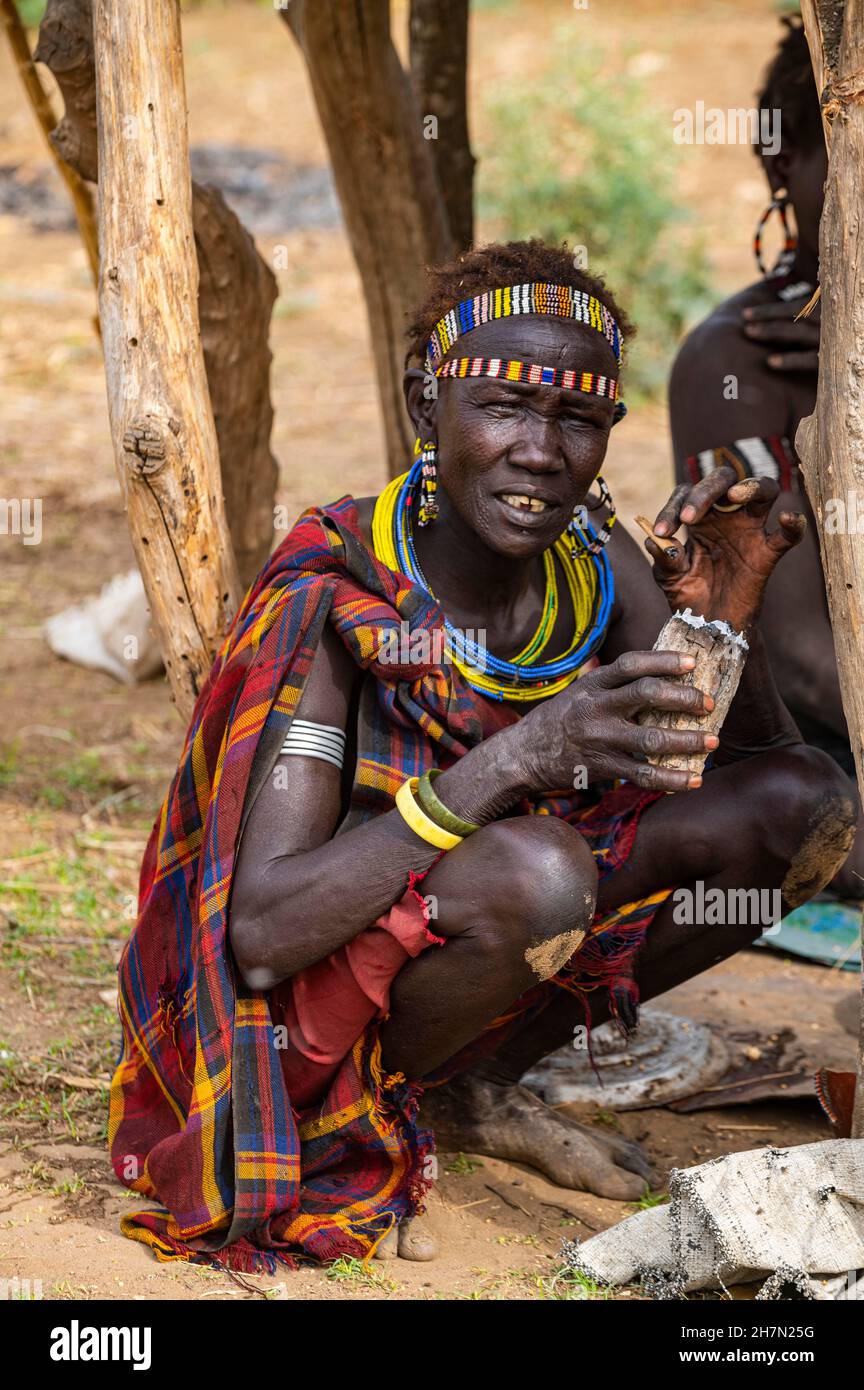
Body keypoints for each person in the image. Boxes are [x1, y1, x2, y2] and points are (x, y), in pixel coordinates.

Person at [108, 240, 854, 1274]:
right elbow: (267, 932)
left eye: (577, 418)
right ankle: (363, 1109)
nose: (541, 452)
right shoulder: (340, 593)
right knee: (540, 867)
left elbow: (762, 783)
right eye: (503, 405)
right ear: (427, 405)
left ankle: (468, 1087)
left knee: (807, 799)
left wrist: (727, 613)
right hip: (308, 1007)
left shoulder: (592, 565)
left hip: (476, 933)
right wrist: (519, 759)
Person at [667, 17, 863, 893]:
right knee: (797, 810)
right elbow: (806, 661)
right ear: (786, 167)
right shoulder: (734, 364)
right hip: (834, 749)